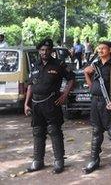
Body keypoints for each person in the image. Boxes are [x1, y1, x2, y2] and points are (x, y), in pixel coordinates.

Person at [23, 39, 75, 174]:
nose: (44, 52)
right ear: (39, 51)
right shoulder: (35, 65)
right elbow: (30, 85)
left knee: (54, 131)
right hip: (36, 104)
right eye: (42, 50)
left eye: (47, 50)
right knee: (38, 132)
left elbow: (71, 79)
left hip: (51, 103)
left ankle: (59, 162)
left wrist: (64, 95)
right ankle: (37, 161)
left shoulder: (59, 64)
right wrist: (26, 103)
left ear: (51, 51)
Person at [82, 41, 111, 174]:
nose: (100, 50)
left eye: (103, 48)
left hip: (109, 103)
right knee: (96, 131)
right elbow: (91, 86)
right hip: (95, 102)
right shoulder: (94, 65)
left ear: (110, 50)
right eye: (99, 48)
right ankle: (94, 160)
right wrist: (86, 73)